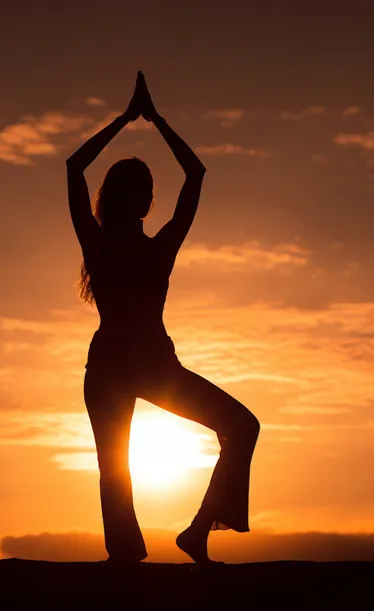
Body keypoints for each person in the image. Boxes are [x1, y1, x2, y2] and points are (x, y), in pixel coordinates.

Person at [66, 71, 260, 565]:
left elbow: (196, 176)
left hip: (151, 365)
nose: (143, 198)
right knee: (114, 467)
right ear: (129, 200)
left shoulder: (156, 249)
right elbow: (74, 168)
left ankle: (197, 531)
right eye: (138, 189)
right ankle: (126, 556)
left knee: (242, 426)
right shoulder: (103, 246)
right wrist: (133, 119)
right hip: (117, 365)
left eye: (144, 190)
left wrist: (150, 119)